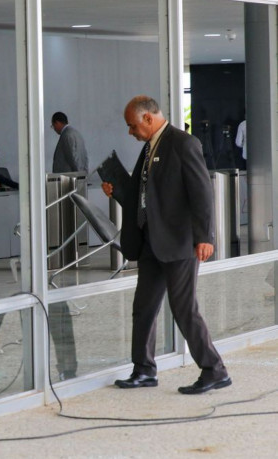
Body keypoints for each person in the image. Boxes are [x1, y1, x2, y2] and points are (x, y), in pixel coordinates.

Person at [102, 95, 230, 395]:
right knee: (143, 307)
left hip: (178, 242)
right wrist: (117, 191)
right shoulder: (150, 147)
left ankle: (215, 370)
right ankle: (144, 370)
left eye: (132, 126)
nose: (130, 133)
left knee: (184, 308)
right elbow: (147, 197)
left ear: (148, 118)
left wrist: (205, 237)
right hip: (151, 243)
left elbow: (202, 194)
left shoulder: (183, 143)